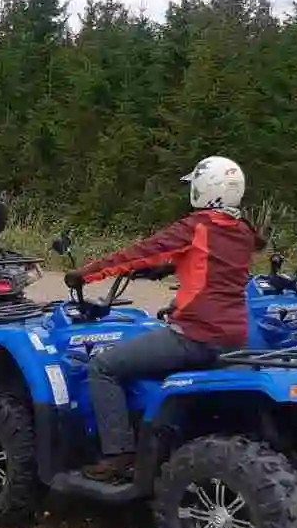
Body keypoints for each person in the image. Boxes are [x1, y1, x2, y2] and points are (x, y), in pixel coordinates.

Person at [63, 156, 264, 479]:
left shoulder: (195, 226)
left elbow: (139, 253)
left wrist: (85, 274)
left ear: (204, 189)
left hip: (194, 337)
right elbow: (215, 265)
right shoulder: (243, 231)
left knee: (103, 367)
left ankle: (118, 454)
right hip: (235, 339)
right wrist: (170, 267)